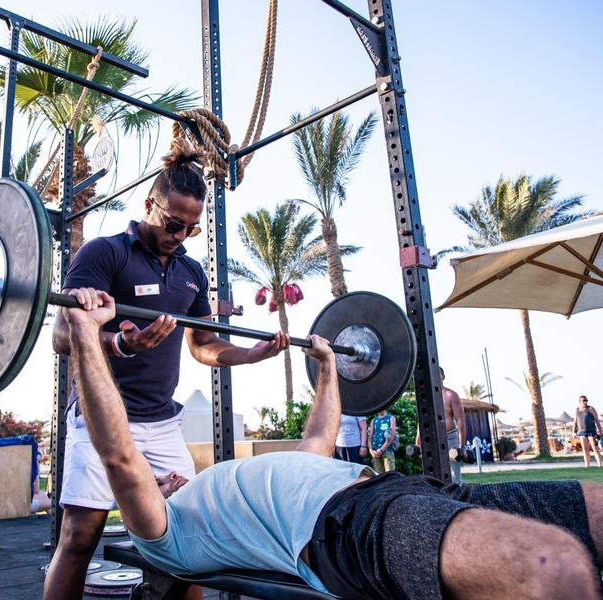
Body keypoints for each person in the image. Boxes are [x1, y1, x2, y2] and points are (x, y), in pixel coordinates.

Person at [60, 288, 603, 600]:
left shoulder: (242, 485)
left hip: (400, 490)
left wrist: (327, 367)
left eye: (165, 473)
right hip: (343, 530)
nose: (168, 474)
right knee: (554, 567)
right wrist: (88, 335)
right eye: (157, 482)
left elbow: (320, 436)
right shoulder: (166, 532)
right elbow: (119, 455)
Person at [45, 144, 289, 600]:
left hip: (161, 425)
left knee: (188, 539)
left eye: (191, 228)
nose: (180, 234)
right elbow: (63, 334)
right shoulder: (104, 254)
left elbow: (204, 346)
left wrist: (252, 355)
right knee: (79, 538)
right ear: (148, 206)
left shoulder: (191, 272)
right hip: (101, 424)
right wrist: (121, 342)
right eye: (173, 223)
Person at [415, 367, 466, 482]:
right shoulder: (426, 396)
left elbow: (460, 421)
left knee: (454, 475)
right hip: (432, 438)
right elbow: (422, 420)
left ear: (443, 376)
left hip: (450, 437)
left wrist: (462, 446)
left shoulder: (451, 395)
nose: (435, 377)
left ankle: (455, 497)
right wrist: (418, 442)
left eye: (438, 374)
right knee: (432, 473)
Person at [574, 395, 603, 468]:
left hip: (591, 431)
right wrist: (574, 431)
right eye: (583, 401)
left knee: (594, 448)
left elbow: (597, 420)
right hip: (582, 432)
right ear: (580, 401)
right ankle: (587, 466)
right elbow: (575, 421)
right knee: (585, 449)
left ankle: (600, 465)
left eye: (586, 400)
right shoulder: (577, 410)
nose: (585, 402)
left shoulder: (590, 409)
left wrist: (600, 431)